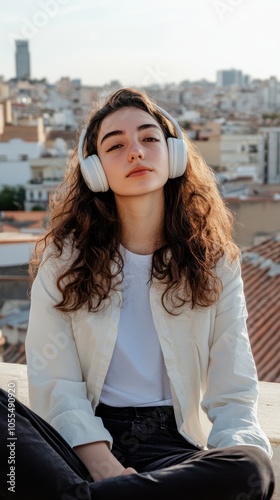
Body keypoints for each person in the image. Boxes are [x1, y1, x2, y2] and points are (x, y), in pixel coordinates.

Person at [0, 87, 275, 500]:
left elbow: (233, 391)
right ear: (95, 170)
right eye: (116, 145)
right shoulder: (63, 261)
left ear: (174, 154)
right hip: (79, 442)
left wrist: (236, 454)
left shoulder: (215, 264)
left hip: (173, 449)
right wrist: (103, 464)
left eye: (149, 138)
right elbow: (56, 383)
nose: (136, 152)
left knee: (252, 467)